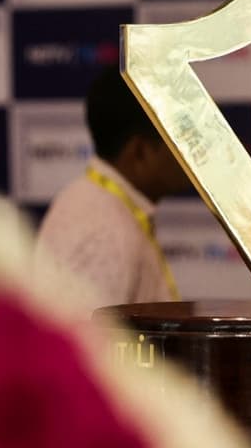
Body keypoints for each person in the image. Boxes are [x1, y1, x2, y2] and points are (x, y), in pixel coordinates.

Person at [33, 67, 190, 317]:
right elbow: (87, 340)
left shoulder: (100, 205)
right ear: (140, 152)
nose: (191, 153)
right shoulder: (105, 231)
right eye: (180, 139)